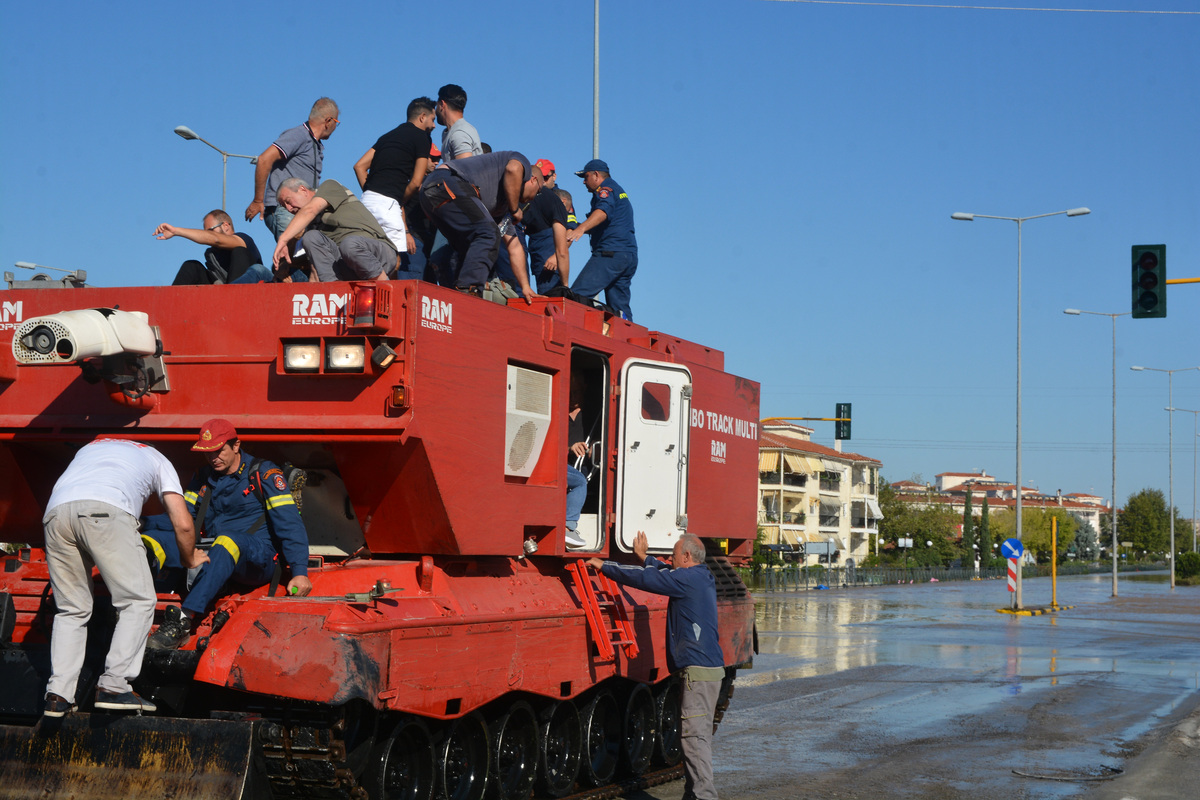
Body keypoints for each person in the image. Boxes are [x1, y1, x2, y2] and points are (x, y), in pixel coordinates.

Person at [42, 439, 201, 716]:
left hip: (55, 515)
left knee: (71, 610)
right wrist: (190, 559)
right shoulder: (157, 458)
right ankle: (115, 686)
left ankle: (59, 695)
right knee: (137, 601)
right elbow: (184, 524)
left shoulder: (89, 449)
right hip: (105, 511)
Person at [146, 420, 311, 651]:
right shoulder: (203, 477)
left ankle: (182, 621)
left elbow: (289, 523)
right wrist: (139, 522)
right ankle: (136, 607)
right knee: (152, 539)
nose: (213, 458)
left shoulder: (264, 473)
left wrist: (300, 572)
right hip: (217, 552)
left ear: (236, 445)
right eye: (208, 453)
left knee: (228, 540)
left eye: (219, 450)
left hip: (259, 558)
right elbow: (182, 519)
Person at [587, 531, 724, 800]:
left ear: (686, 556)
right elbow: (663, 571)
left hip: (698, 672)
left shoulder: (687, 580)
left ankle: (704, 797)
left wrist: (606, 566)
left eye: (674, 555)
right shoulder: (700, 576)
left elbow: (649, 579)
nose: (670, 559)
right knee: (697, 737)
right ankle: (693, 795)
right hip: (707, 671)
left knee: (694, 739)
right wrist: (645, 558)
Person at [418, 150, 541, 298]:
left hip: (431, 195)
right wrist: (515, 209)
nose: (533, 198)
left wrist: (526, 287)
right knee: (488, 233)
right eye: (538, 191)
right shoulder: (521, 162)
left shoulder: (499, 210)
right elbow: (512, 169)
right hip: (446, 181)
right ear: (533, 180)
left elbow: (514, 246)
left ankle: (456, 295)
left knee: (470, 247)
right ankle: (470, 290)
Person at [354, 97, 437, 280]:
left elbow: (359, 166)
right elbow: (416, 182)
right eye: (433, 119)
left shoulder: (387, 136)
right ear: (422, 117)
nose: (434, 125)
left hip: (366, 202)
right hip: (389, 205)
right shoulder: (422, 137)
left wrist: (371, 190)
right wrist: (399, 200)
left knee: (368, 258)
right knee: (394, 263)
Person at [245, 97, 340, 241]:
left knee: (303, 258)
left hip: (301, 213)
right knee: (291, 253)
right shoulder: (299, 134)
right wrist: (258, 200)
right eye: (336, 123)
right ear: (328, 121)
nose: (335, 127)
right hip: (285, 210)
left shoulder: (315, 143)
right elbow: (264, 159)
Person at [273, 178, 397, 282]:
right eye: (284, 207)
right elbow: (314, 270)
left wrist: (283, 239)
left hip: (377, 255)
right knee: (311, 237)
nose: (289, 209)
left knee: (349, 244)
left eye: (288, 202)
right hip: (347, 264)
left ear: (303, 189)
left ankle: (384, 286)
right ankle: (334, 291)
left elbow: (310, 210)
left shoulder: (330, 186)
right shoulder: (310, 228)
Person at [566, 159, 638, 320]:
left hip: (610, 253)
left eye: (585, 176)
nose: (584, 181)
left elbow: (602, 212)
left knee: (576, 296)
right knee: (620, 309)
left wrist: (580, 229)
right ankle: (626, 341)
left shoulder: (605, 190)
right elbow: (602, 222)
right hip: (627, 256)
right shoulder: (618, 190)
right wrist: (575, 225)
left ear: (596, 175)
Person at [156, 210, 272, 285]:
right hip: (220, 289)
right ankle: (170, 306)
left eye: (210, 231)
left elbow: (216, 239)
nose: (208, 235)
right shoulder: (212, 254)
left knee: (239, 251)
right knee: (191, 266)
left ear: (226, 225)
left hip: (247, 292)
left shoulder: (243, 239)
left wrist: (176, 231)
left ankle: (231, 299)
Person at [524, 184, 571, 293]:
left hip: (546, 251)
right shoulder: (548, 199)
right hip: (539, 247)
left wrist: (555, 256)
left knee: (550, 295)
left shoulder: (549, 198)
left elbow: (569, 235)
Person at [565, 375, 588, 548]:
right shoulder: (558, 412)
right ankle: (569, 527)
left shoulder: (590, 415)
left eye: (577, 392)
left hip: (583, 466)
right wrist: (569, 448)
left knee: (582, 479)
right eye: (570, 392)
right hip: (561, 465)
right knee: (579, 481)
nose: (573, 396)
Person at [435, 84, 482, 162]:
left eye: (437, 105)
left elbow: (465, 169)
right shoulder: (453, 132)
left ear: (442, 104)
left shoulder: (459, 133)